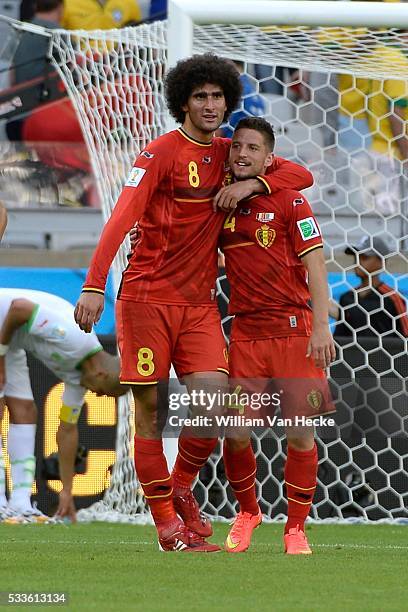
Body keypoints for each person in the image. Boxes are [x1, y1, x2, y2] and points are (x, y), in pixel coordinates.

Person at [75, 53, 314, 552]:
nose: (210, 104)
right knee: (150, 413)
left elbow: (300, 176)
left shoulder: (231, 153)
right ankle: (166, 525)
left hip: (200, 305)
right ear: (183, 102)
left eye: (217, 96)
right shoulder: (160, 153)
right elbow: (120, 220)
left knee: (212, 410)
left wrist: (254, 182)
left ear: (228, 100)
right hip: (146, 299)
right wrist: (95, 284)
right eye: (200, 96)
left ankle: (181, 486)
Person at [218, 117, 335, 554]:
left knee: (300, 433)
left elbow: (317, 267)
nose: (243, 154)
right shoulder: (221, 202)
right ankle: (248, 512)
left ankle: (296, 528)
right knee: (234, 430)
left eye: (253, 149)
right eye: (238, 147)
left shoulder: (291, 201)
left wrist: (320, 327)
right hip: (246, 335)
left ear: (269, 158)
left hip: (294, 332)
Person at [0, 289, 127, 523]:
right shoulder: (73, 337)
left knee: (26, 412)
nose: (97, 395)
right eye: (102, 392)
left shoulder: (78, 380)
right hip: (5, 323)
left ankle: (19, 504)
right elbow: (19, 308)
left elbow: (67, 430)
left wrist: (66, 491)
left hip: (11, 338)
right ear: (100, 374)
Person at [331, 236, 408, 339]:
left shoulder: (393, 298)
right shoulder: (347, 298)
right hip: (353, 354)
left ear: (382, 261)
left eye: (364, 257)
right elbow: (340, 337)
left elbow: (404, 336)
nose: (358, 262)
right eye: (356, 257)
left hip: (383, 354)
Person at [62, 0, 142, 29]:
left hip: (119, 60)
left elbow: (137, 33)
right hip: (79, 61)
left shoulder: (128, 2)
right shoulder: (66, 3)